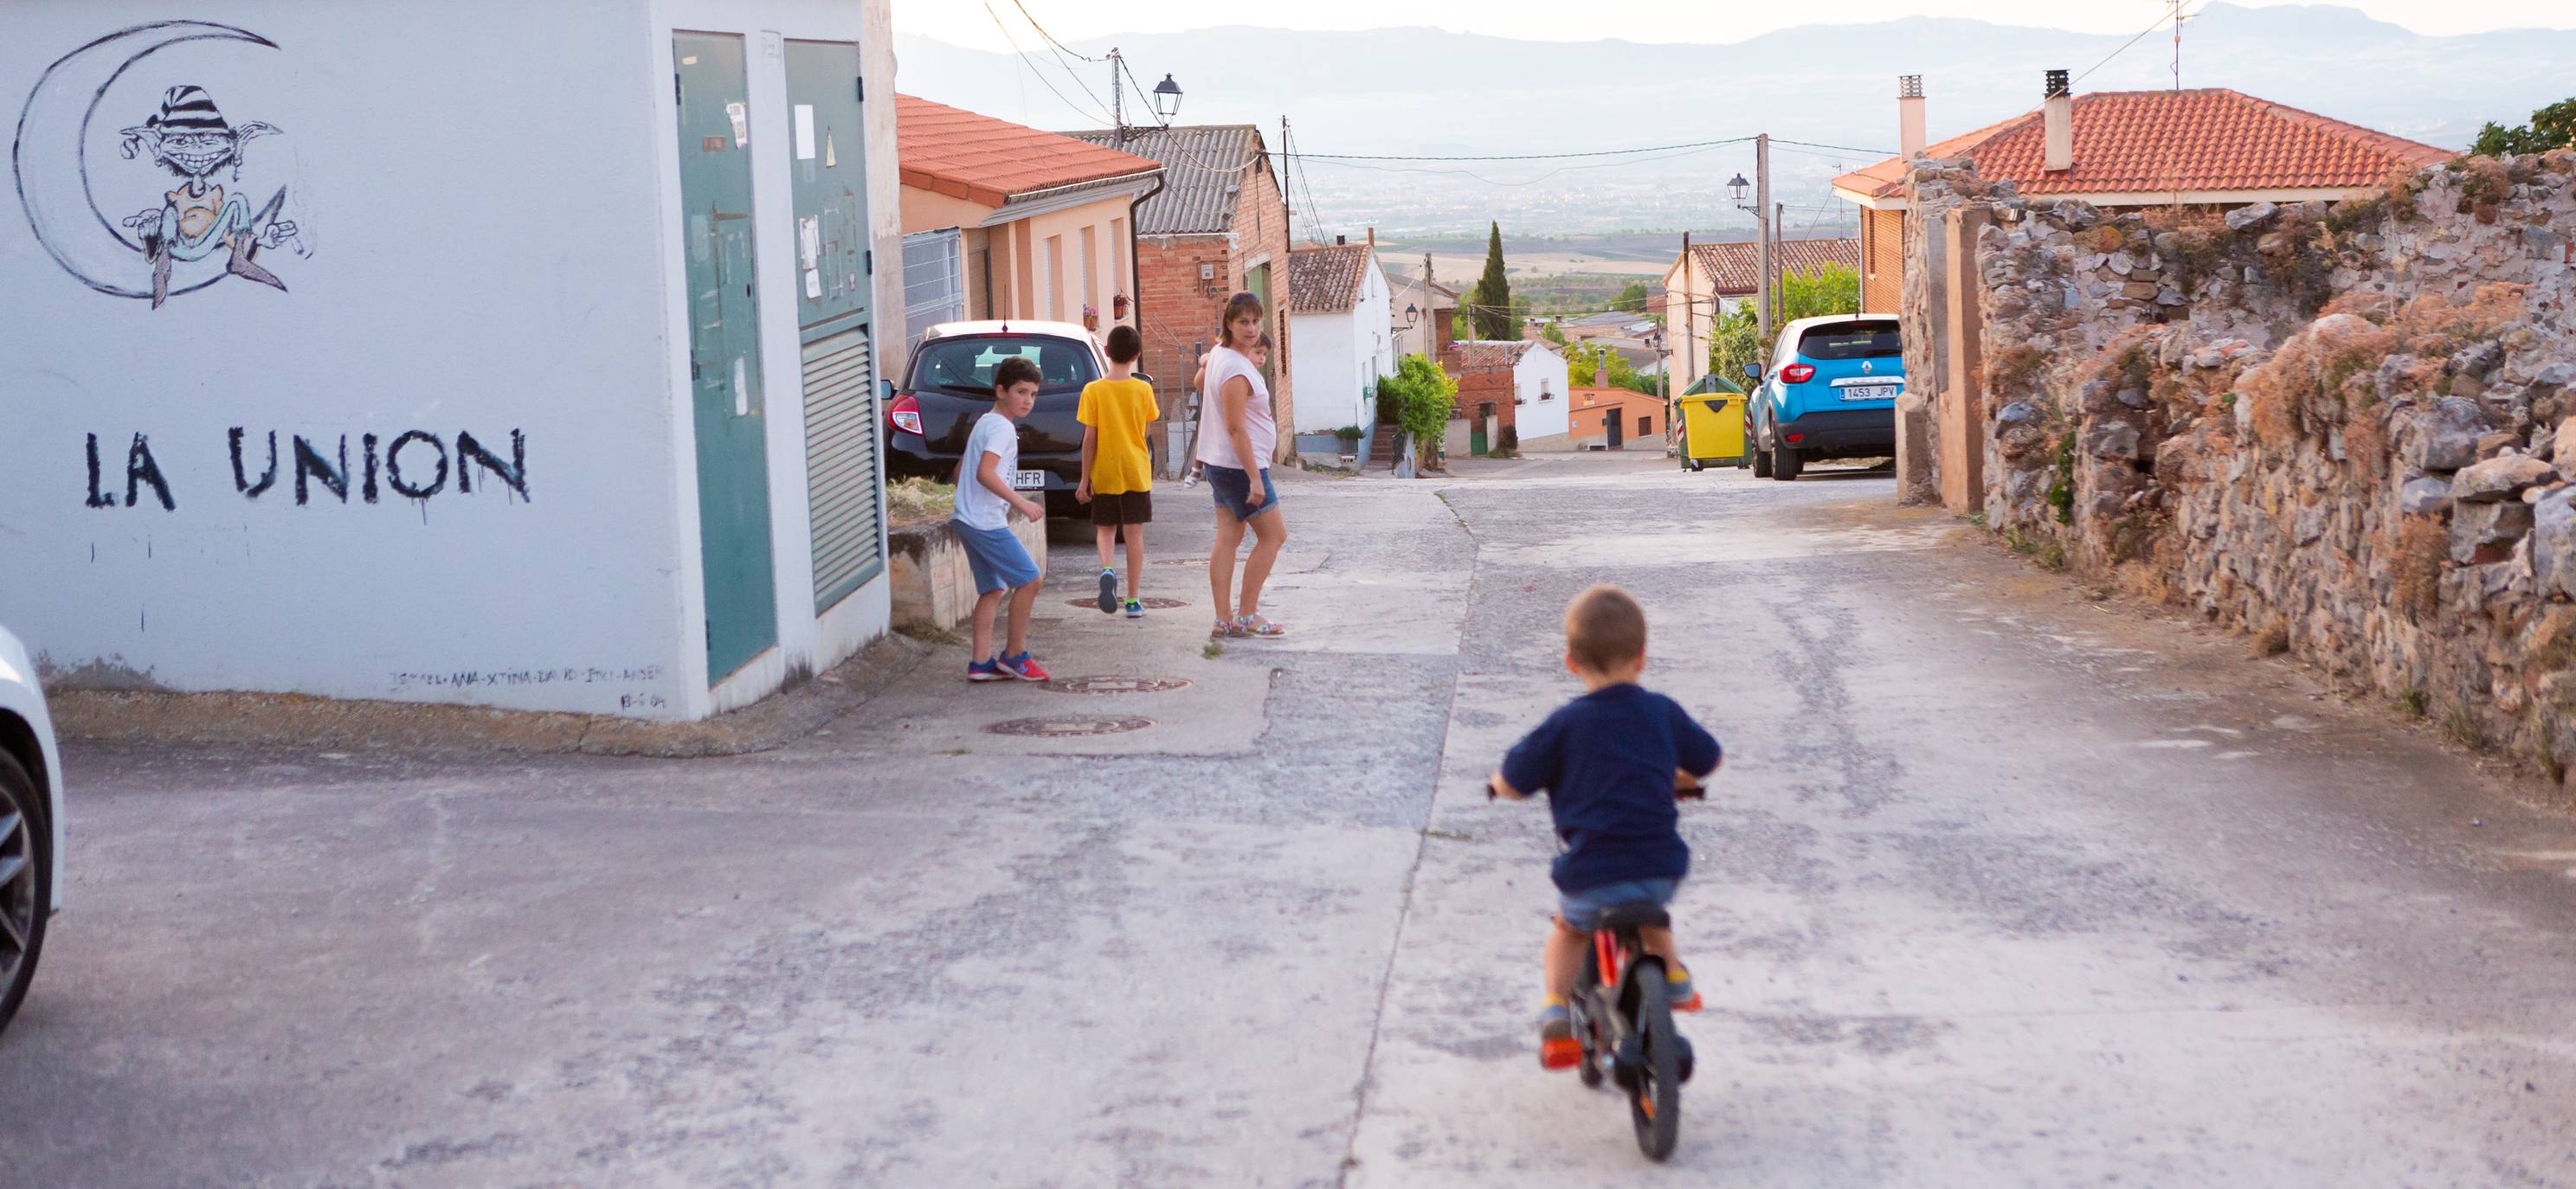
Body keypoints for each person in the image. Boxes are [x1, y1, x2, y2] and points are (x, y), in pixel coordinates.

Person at [1486, 584, 1719, 1069]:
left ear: (1571, 662)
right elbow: (1708, 758)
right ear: (1642, 657)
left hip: (1591, 871)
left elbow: (1514, 779)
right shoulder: (1662, 712)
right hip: (1661, 867)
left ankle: (1555, 1009)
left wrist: (1498, 787)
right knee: (1652, 912)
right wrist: (1679, 777)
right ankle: (1674, 977)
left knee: (1569, 928)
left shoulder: (1565, 725)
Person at [953, 356, 1051, 683]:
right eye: (1021, 392)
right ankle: (1015, 656)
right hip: (984, 522)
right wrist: (1021, 503)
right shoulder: (1002, 428)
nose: (1027, 401)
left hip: (968, 519)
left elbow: (961, 471)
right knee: (1030, 579)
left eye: (1033, 394)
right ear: (1000, 391)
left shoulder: (985, 422)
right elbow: (984, 473)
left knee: (993, 589)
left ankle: (981, 663)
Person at [1195, 294, 1288, 639]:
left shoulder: (1223, 355)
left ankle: (1223, 619)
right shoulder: (1235, 367)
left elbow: (1200, 383)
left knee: (1229, 537)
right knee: (1274, 536)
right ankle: (1247, 614)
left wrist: (1206, 359)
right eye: (1243, 322)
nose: (1251, 329)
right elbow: (1236, 427)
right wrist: (1255, 478)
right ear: (1229, 324)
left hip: (1219, 462)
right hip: (1238, 468)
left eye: (1255, 321)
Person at [1076, 325, 1160, 618]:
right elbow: (1146, 430)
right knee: (1134, 535)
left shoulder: (1093, 391)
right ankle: (1134, 600)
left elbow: (1090, 438)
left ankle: (1108, 568)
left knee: (1105, 529)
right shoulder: (1143, 389)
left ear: (1107, 352)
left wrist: (1085, 479)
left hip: (1105, 471)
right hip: (1136, 470)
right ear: (1136, 355)